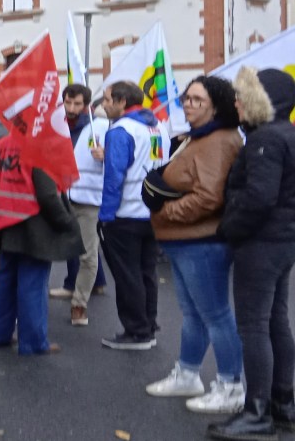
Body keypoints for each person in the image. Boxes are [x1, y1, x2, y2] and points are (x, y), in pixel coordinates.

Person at [140, 75, 245, 413]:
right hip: (184, 240)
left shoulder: (218, 140)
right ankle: (187, 374)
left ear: (216, 106)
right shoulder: (198, 137)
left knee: (216, 315)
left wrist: (166, 212)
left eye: (197, 100)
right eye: (186, 97)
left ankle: (231, 386)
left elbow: (209, 197)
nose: (188, 104)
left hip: (201, 242)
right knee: (194, 314)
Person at [209, 68, 295, 440]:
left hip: (261, 244)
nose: (238, 103)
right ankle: (282, 403)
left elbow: (260, 197)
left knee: (254, 326)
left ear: (263, 100)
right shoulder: (286, 133)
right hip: (282, 241)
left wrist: (230, 226)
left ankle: (257, 412)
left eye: (244, 96)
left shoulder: (265, 140)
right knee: (275, 321)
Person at [0, 133, 84, 355]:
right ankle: (33, 341)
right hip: (35, 226)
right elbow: (47, 195)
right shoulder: (41, 146)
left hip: (6, 218)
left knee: (4, 282)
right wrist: (67, 222)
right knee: (33, 285)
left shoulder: (2, 143)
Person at [95, 82, 170, 350]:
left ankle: (136, 332)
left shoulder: (121, 130)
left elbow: (114, 177)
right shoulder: (159, 126)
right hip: (153, 212)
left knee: (128, 275)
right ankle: (148, 324)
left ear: (122, 102)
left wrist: (106, 215)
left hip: (126, 214)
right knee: (147, 272)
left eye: (107, 100)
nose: (104, 105)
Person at [49, 85, 110, 326]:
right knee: (58, 248)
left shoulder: (100, 127)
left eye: (77, 104)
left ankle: (79, 304)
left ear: (86, 105)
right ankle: (76, 285)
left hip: (89, 201)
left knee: (88, 255)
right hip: (61, 198)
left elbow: (122, 158)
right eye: (68, 102)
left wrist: (106, 154)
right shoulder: (58, 126)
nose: (72, 108)